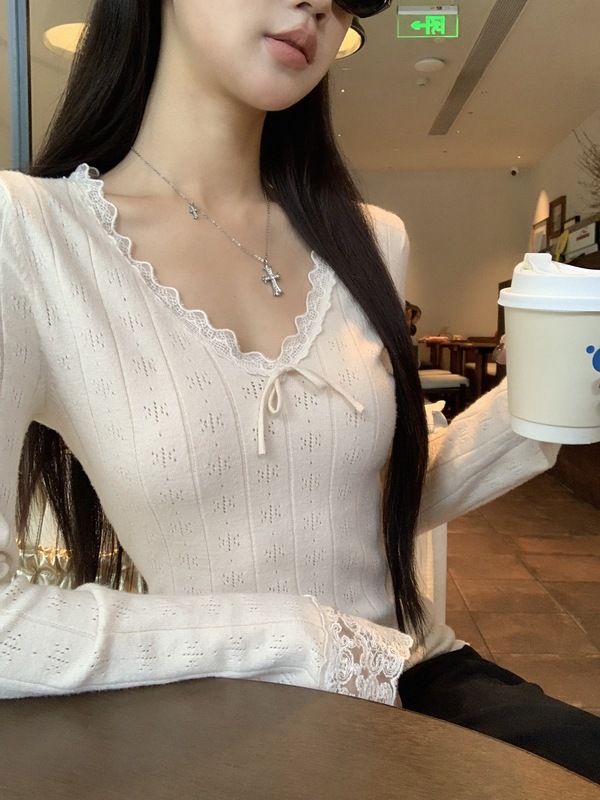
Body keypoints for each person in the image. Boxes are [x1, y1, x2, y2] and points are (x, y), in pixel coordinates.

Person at [0, 0, 598, 782]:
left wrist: (552, 399)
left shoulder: (371, 238)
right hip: (226, 711)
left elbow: (369, 505)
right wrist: (303, 638)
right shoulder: (31, 238)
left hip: (413, 673)